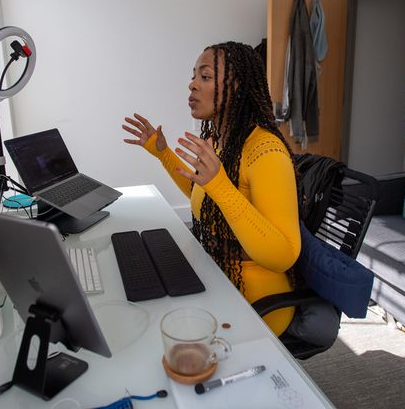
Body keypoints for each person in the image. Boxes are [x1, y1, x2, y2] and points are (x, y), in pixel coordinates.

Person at [121, 42, 301, 336]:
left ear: (237, 87)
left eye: (205, 77)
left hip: (259, 303)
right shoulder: (222, 138)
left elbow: (284, 255)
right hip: (218, 276)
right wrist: (162, 152)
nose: (192, 85)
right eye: (194, 76)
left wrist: (221, 186)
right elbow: (201, 196)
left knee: (155, 328)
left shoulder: (265, 151)